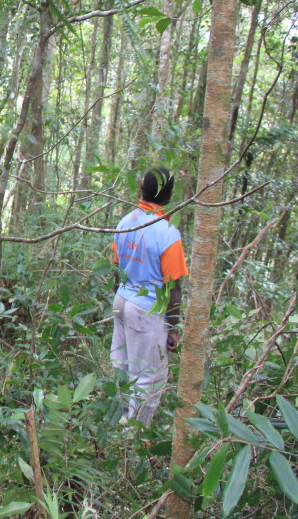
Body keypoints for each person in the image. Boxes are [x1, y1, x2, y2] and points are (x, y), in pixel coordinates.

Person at [110, 168, 189, 425]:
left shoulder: (125, 222)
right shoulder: (167, 233)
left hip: (121, 302)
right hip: (146, 310)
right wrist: (173, 329)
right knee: (149, 379)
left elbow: (116, 270)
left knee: (123, 367)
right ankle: (133, 440)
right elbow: (174, 289)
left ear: (142, 189)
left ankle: (121, 425)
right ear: (168, 196)